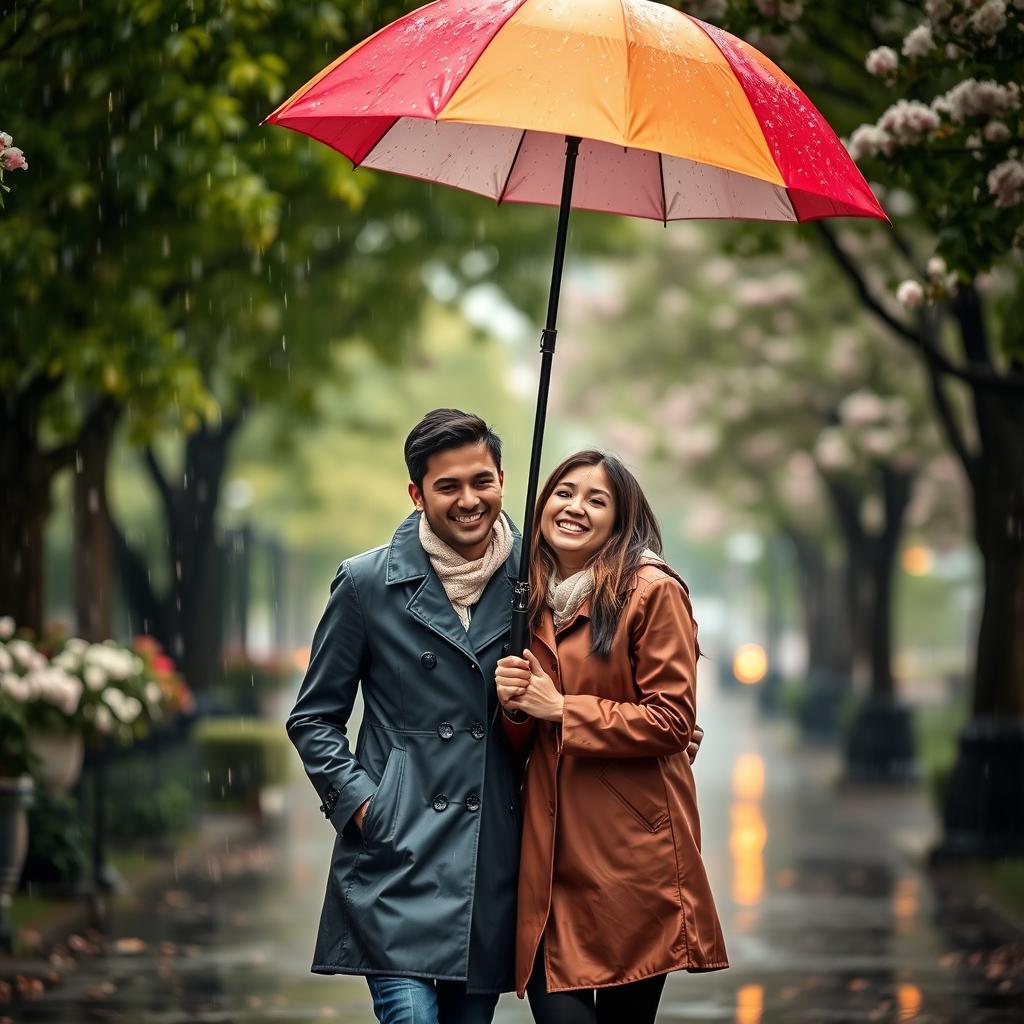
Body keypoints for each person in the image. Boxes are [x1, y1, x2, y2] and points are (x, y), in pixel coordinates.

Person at [286, 408, 525, 1024]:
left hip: (488, 861)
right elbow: (313, 717)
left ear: (502, 479)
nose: (469, 500)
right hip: (397, 860)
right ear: (417, 494)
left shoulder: (535, 577)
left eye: (483, 481)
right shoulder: (367, 583)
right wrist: (365, 804)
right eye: (448, 486)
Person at [496, 450, 728, 1024]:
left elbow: (672, 720)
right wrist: (519, 709)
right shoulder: (526, 599)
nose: (575, 508)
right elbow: (523, 737)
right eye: (564, 492)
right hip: (550, 858)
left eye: (596, 500)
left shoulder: (650, 592)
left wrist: (561, 708)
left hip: (630, 860)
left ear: (621, 520)